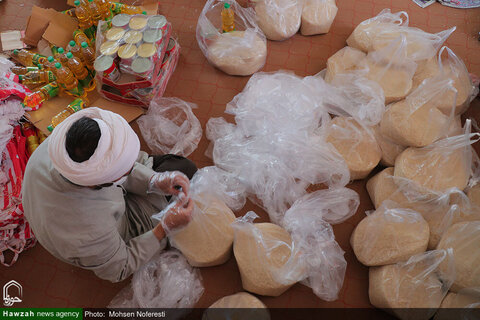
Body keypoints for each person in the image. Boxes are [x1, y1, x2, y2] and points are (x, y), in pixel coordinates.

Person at [22, 107, 197, 282]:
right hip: (105, 230)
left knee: (182, 169)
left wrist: (154, 181)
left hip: (101, 206)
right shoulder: (86, 233)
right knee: (183, 189)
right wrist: (163, 228)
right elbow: (120, 268)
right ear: (97, 183)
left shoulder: (62, 144)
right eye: (124, 170)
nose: (130, 168)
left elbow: (115, 168)